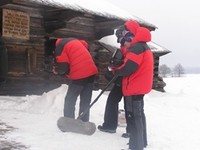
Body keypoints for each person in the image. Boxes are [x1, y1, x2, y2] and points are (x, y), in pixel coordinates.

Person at [113, 20, 154, 150]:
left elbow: (129, 68)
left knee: (133, 117)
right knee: (139, 115)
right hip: (139, 86)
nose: (123, 43)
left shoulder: (136, 48)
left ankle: (135, 146)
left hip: (134, 87)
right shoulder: (142, 46)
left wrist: (115, 71)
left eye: (123, 39)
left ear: (129, 34)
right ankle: (141, 143)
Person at [52, 38, 98, 122]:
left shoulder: (60, 46)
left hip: (80, 73)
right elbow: (85, 44)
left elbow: (63, 67)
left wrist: (57, 70)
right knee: (85, 99)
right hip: (91, 72)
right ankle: (84, 121)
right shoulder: (75, 42)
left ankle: (68, 121)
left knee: (70, 98)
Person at [98, 47, 130, 138]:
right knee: (112, 101)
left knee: (129, 106)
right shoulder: (121, 50)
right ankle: (110, 125)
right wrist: (110, 71)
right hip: (120, 82)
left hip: (129, 82)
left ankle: (131, 131)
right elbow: (114, 63)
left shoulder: (132, 49)